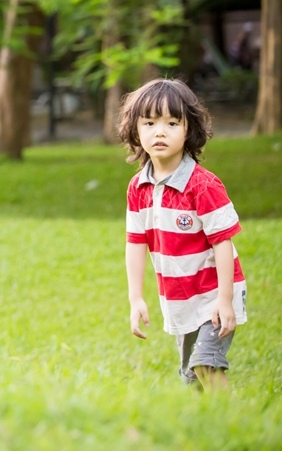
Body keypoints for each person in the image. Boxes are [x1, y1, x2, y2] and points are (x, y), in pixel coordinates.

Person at [118, 78, 246, 390]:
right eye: (149, 122)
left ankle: (237, 423)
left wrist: (225, 300)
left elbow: (222, 242)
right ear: (136, 130)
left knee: (206, 365)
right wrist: (136, 298)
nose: (159, 131)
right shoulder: (138, 188)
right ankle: (210, 429)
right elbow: (136, 243)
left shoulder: (202, 185)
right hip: (179, 299)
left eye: (172, 122)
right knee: (192, 378)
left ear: (188, 130)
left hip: (214, 294)